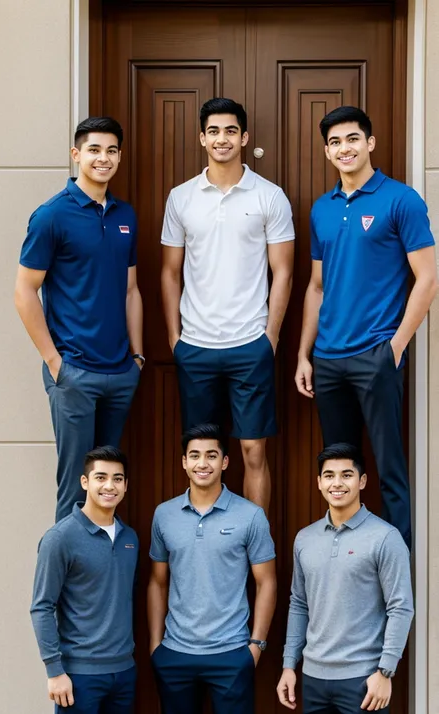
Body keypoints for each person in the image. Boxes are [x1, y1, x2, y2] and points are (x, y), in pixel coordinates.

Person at [294, 105, 437, 549]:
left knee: (389, 468)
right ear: (327, 150)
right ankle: (344, 559)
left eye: (352, 139)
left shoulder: (401, 199)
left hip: (376, 354)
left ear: (370, 143)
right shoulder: (322, 208)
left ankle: (399, 586)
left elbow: (428, 278)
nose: (344, 148)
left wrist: (395, 346)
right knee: (339, 470)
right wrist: (304, 353)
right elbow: (316, 287)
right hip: (329, 359)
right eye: (335, 142)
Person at [161, 98, 295, 514]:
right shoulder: (181, 197)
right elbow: (169, 272)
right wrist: (174, 339)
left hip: (249, 344)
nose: (223, 139)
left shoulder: (270, 196)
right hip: (196, 347)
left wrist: (269, 337)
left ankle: (257, 558)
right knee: (203, 457)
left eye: (231, 131)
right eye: (214, 131)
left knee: (254, 450)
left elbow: (284, 272)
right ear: (202, 138)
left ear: (245, 137)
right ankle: (207, 552)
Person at [15, 116, 144, 521]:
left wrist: (136, 359)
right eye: (93, 149)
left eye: (111, 150)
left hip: (120, 372)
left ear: (119, 156)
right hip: (74, 372)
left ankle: (102, 579)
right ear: (76, 155)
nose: (102, 158)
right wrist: (56, 364)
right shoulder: (52, 216)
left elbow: (131, 290)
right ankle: (63, 585)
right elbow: (24, 292)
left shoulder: (126, 216)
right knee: (76, 487)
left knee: (109, 487)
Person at [148, 423, 277, 714]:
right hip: (175, 653)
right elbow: (157, 581)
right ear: (184, 462)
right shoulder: (164, 514)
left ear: (225, 461)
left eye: (211, 455)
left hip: (232, 652)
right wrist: (156, 646)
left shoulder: (250, 515)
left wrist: (255, 646)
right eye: (194, 455)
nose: (202, 463)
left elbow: (266, 582)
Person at [276, 442, 414, 714]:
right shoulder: (304, 538)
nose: (337, 483)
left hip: (363, 680)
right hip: (313, 678)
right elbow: (299, 604)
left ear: (362, 481)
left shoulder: (385, 537)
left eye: (347, 475)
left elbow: (401, 606)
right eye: (329, 475)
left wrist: (385, 672)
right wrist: (289, 665)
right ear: (318, 482)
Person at [30, 446, 138, 714]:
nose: (109, 486)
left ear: (125, 486)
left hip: (124, 672)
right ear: (85, 482)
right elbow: (41, 607)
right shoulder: (60, 538)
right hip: (79, 675)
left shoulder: (130, 539)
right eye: (100, 477)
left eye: (117, 478)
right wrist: (55, 671)